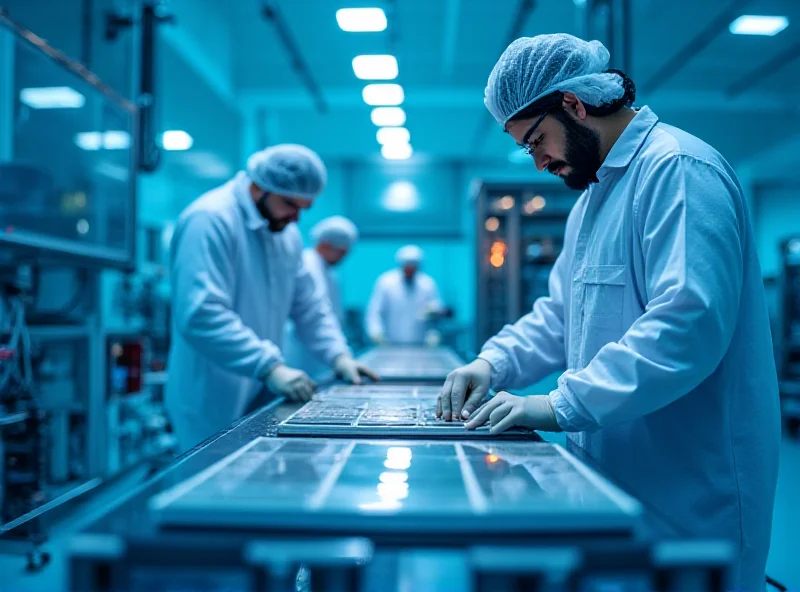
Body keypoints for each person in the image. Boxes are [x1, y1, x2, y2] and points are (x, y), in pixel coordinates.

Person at [437, 34, 780, 592]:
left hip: (693, 482)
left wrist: (559, 403)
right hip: (617, 479)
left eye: (536, 140)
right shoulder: (593, 201)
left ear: (573, 104)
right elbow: (558, 317)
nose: (538, 160)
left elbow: (688, 325)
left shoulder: (680, 169)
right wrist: (492, 363)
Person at [166, 144, 377, 452]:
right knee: (206, 486)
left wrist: (339, 356)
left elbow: (308, 306)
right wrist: (269, 366)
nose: (296, 217)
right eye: (290, 204)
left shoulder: (285, 235)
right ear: (260, 186)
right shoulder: (211, 219)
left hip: (257, 387)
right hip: (209, 391)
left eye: (304, 208)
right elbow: (201, 314)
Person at [283, 216, 360, 380]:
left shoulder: (327, 271)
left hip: (319, 354)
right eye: (341, 252)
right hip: (304, 354)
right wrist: (338, 354)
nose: (343, 258)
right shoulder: (309, 265)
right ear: (325, 245)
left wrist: (340, 355)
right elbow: (314, 315)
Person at [365, 245, 443, 346]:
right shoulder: (386, 282)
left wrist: (434, 333)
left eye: (413, 267)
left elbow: (435, 313)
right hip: (390, 343)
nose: (410, 270)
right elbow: (374, 312)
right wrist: (376, 333)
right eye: (407, 267)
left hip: (421, 343)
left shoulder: (427, 284)